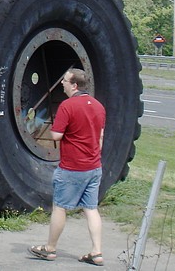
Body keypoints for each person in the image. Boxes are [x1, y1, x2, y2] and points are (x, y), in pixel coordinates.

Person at [29, 68, 106, 267]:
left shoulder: (67, 106)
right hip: (94, 166)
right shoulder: (98, 106)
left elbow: (56, 136)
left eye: (64, 80)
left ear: (74, 85)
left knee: (60, 207)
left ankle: (50, 248)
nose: (61, 83)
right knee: (91, 209)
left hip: (72, 167)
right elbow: (100, 137)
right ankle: (96, 252)